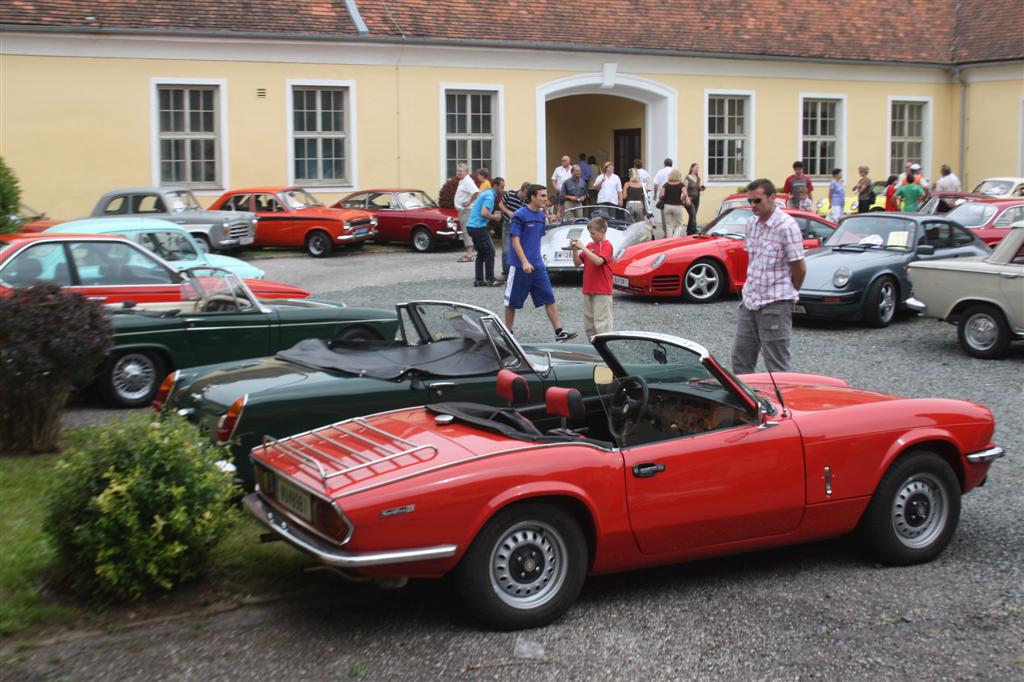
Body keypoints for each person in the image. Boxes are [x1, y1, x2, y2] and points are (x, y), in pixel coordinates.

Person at [731, 178, 806, 374]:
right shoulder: (751, 224)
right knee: (740, 358)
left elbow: (799, 267)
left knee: (776, 363)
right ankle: (746, 402)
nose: (753, 206)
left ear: (772, 198)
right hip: (750, 300)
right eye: (750, 201)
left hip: (775, 302)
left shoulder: (787, 226)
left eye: (757, 200)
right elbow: (752, 260)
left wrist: (788, 293)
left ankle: (782, 402)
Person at [504, 185, 577, 341]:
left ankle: (559, 333)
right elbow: (515, 240)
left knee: (549, 298)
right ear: (533, 197)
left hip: (538, 265)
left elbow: (537, 240)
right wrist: (524, 262)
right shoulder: (519, 215)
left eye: (546, 195)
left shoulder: (541, 217)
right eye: (542, 196)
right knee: (512, 301)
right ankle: (508, 333)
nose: (546, 199)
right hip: (519, 266)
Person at [570, 216, 614, 339]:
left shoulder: (607, 246)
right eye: (590, 234)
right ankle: (595, 348)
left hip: (602, 290)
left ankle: (605, 348)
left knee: (602, 323)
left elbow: (599, 262)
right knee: (589, 323)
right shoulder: (590, 245)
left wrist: (583, 247)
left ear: (602, 231)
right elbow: (577, 263)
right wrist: (574, 250)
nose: (591, 236)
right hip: (588, 288)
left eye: (593, 234)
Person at [466, 177, 504, 287]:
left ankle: (479, 280)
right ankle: (490, 279)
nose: (503, 189)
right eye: (501, 187)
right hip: (478, 227)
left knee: (481, 254)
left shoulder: (487, 193)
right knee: (490, 252)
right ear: (495, 186)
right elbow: (484, 213)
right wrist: (494, 217)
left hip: (472, 226)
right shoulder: (489, 196)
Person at [497, 181, 529, 282]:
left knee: (519, 250)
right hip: (507, 225)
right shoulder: (510, 194)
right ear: (522, 190)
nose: (527, 197)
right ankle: (506, 274)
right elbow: (501, 205)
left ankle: (519, 272)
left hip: (520, 228)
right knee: (506, 251)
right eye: (526, 194)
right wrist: (508, 212)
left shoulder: (527, 201)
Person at [454, 163, 478, 262]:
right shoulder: (463, 181)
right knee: (467, 231)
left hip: (466, 210)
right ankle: (472, 252)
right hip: (463, 210)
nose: (458, 172)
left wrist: (469, 202)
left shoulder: (467, 180)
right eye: (458, 170)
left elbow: (476, 192)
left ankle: (469, 254)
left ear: (466, 171)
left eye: (460, 171)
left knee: (466, 231)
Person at [659, 168, 687, 238]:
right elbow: (685, 194)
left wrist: (662, 198)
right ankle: (675, 238)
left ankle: (669, 240)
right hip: (677, 206)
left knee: (668, 225)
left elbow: (661, 195)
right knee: (679, 225)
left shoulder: (666, 184)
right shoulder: (681, 185)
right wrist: (682, 199)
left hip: (667, 206)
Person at [685, 163, 704, 233]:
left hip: (697, 198)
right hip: (690, 199)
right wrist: (686, 198)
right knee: (692, 213)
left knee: (693, 214)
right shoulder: (687, 178)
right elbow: (684, 189)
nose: (697, 169)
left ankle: (689, 231)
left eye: (698, 168)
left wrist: (701, 188)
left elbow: (698, 188)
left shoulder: (698, 178)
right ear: (692, 168)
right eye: (696, 168)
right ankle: (694, 230)